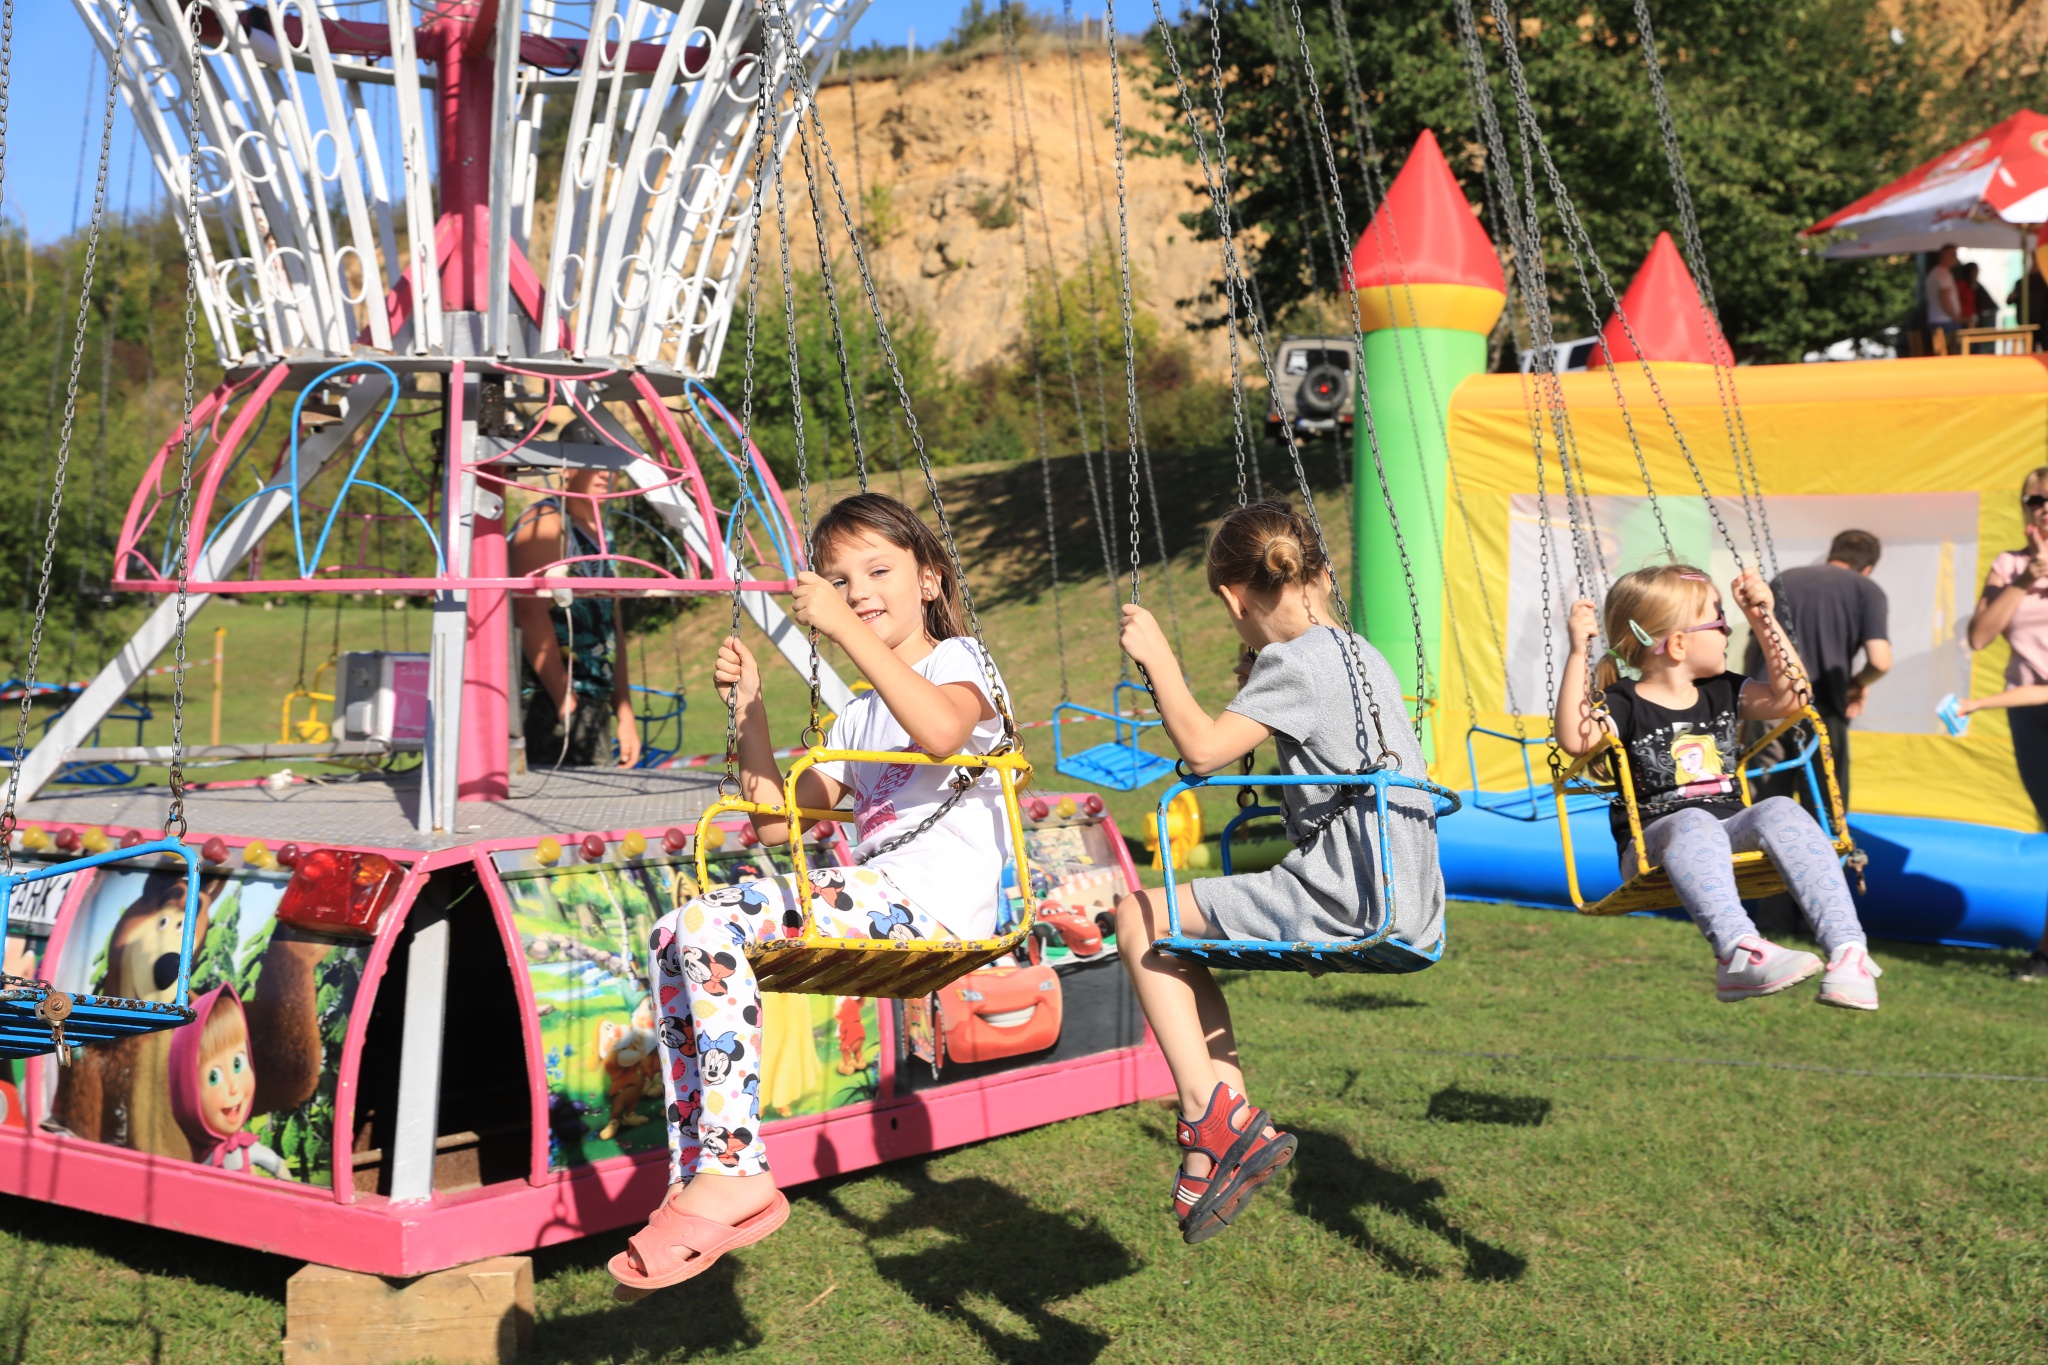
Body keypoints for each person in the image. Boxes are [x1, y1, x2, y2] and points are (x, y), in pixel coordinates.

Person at [608, 492, 1016, 1298]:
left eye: (877, 570)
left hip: (935, 901)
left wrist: (843, 628)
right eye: (838, 579)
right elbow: (773, 818)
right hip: (882, 895)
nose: (857, 590)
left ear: (930, 578)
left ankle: (736, 1167)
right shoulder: (859, 715)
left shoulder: (961, 662)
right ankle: (700, 1168)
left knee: (708, 919)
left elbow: (942, 732)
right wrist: (750, 709)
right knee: (672, 932)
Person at [1112, 500, 1443, 1245]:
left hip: (1347, 896)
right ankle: (1222, 1135)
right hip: (1408, 899)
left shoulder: (1295, 663)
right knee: (1182, 941)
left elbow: (1202, 752)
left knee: (1139, 915)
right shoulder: (1360, 653)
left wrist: (1159, 660)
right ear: (1319, 573)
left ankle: (1206, 1116)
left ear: (1234, 599)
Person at [1553, 564, 1881, 1011]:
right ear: (1679, 644)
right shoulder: (1623, 703)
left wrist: (1764, 619)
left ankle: (1848, 953)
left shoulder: (1723, 690)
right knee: (1693, 820)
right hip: (1653, 844)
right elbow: (1576, 739)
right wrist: (1578, 652)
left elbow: (1793, 698)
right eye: (1720, 620)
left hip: (1726, 834)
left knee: (1780, 807)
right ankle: (1737, 952)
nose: (1728, 630)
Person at [1966, 466, 2048, 980]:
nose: (2043, 507)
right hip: (2030, 715)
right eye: (2034, 500)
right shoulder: (2009, 564)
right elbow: (1979, 637)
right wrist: (2025, 579)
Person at [508, 464, 641, 769]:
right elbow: (527, 611)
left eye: (612, 466)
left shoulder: (602, 533)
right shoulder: (546, 521)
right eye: (593, 464)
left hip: (591, 700)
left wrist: (624, 713)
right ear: (566, 469)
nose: (606, 474)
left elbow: (612, 623)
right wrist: (564, 698)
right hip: (543, 700)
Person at [1749, 530, 1890, 812]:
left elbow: (1754, 647)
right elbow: (1880, 661)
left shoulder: (1785, 579)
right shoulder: (1866, 589)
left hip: (1769, 704)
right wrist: (1857, 685)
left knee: (1765, 812)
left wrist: (1746, 703)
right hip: (1821, 711)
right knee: (1825, 809)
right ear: (1868, 567)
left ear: (1832, 553)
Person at [1926, 244, 1963, 352]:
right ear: (1944, 256)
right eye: (1953, 255)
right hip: (1945, 322)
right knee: (1952, 355)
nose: (1956, 258)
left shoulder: (1936, 272)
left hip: (1939, 321)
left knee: (1942, 354)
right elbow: (1945, 298)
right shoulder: (1942, 273)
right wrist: (1956, 317)